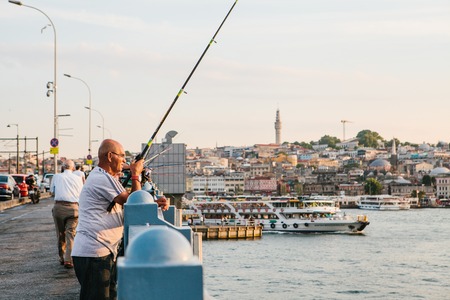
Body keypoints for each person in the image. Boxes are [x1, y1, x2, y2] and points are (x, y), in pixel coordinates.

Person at [71, 139, 169, 300]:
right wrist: (135, 175)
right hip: (94, 253)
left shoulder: (104, 177)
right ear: (110, 156)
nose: (125, 160)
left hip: (102, 251)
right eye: (122, 156)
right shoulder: (101, 178)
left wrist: (154, 205)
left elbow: (129, 205)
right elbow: (134, 203)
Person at [50, 159, 84, 269]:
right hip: (74, 208)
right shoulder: (78, 178)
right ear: (73, 168)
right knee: (71, 234)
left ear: (63, 167)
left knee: (60, 233)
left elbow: (51, 191)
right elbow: (82, 193)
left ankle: (62, 257)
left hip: (59, 207)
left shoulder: (56, 176)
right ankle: (69, 260)